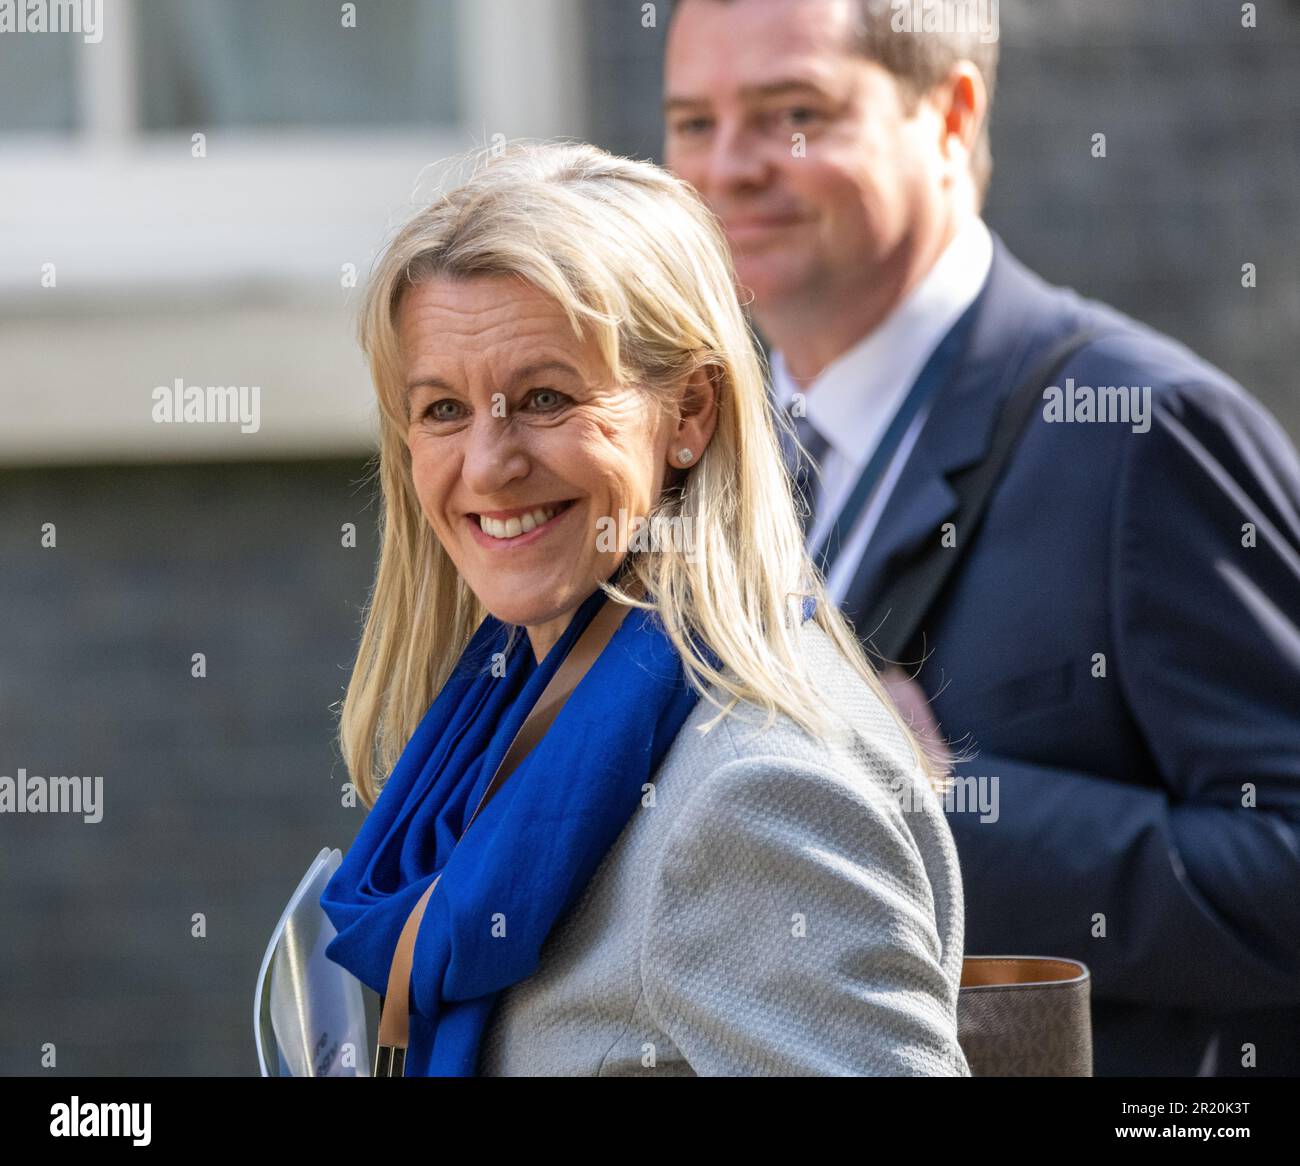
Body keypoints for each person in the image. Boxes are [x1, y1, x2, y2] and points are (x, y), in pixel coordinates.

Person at [664, 0, 1300, 1077]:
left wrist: (931, 803)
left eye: (793, 113)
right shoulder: (686, 448)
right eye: (691, 122)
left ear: (951, 115)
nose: (727, 167)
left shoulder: (1144, 430)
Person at [316, 140, 971, 1076]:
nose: (489, 465)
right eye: (443, 411)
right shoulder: (516, 706)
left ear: (691, 412)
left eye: (546, 398)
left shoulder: (754, 796)